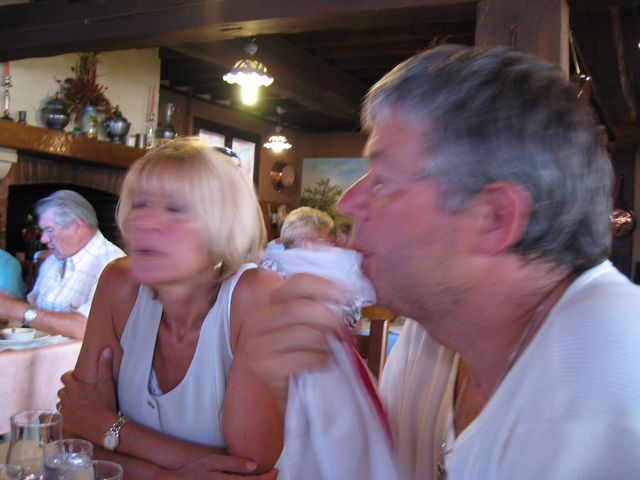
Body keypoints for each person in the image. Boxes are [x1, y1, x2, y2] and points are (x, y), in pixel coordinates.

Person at [239, 45, 640, 479]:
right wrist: (311, 398)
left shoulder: (608, 397)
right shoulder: (434, 334)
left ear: (493, 218)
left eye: (382, 181)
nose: (346, 203)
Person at [57, 139, 283, 479]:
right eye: (140, 204)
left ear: (224, 228)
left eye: (175, 209)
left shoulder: (257, 298)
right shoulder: (119, 284)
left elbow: (245, 470)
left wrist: (104, 424)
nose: (144, 221)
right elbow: (75, 437)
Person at [0, 190, 125, 338]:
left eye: (49, 230)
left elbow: (88, 328)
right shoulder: (53, 261)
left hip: (75, 354)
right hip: (36, 350)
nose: (44, 239)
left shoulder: (113, 265)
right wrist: (7, 305)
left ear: (76, 226)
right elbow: (34, 311)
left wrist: (17, 310)